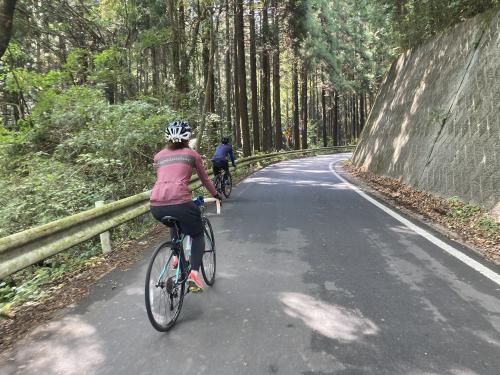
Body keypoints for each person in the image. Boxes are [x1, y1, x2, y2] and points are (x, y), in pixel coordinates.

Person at [150, 120, 221, 293]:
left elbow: (164, 177)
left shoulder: (158, 156)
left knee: (174, 223)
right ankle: (194, 275)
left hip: (156, 205)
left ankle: (176, 255)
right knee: (197, 234)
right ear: (187, 137)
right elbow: (205, 179)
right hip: (181, 201)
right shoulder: (192, 154)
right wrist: (215, 195)